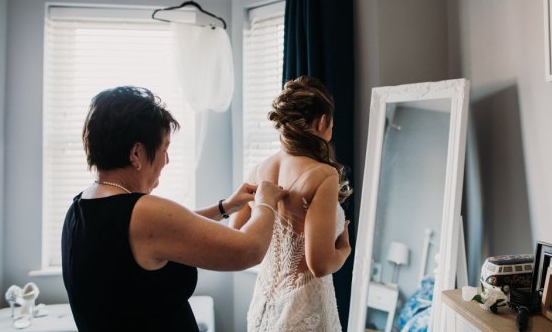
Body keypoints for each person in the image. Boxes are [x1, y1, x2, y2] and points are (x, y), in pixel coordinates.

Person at [61, 86, 285, 332]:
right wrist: (266, 203)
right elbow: (249, 250)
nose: (166, 160)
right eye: (164, 148)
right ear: (136, 153)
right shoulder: (142, 213)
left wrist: (225, 207)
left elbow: (169, 229)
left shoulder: (80, 207)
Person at [231, 76, 353, 332]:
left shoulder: (259, 170)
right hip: (303, 311)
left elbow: (238, 237)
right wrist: (344, 250)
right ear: (322, 122)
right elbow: (319, 265)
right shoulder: (323, 175)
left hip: (264, 308)